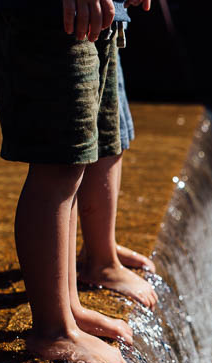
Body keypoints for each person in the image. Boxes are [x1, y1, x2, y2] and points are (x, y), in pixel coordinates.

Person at [0, 0, 150, 363]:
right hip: (51, 13)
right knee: (60, 163)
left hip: (93, 11)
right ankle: (53, 330)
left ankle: (68, 307)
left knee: (86, 151)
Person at [76, 1, 159, 310]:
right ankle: (99, 262)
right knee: (69, 159)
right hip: (73, 18)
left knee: (109, 136)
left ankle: (100, 249)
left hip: (106, 16)